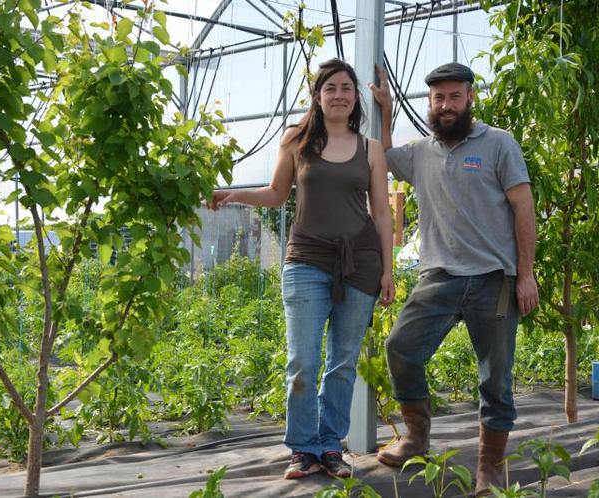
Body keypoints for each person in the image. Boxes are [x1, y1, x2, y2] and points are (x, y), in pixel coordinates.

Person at [211, 58, 395, 480]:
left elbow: (382, 214)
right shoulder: (296, 139)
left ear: (356, 97)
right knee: (302, 363)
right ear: (318, 95)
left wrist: (387, 270)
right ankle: (302, 449)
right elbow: (276, 193)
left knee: (343, 363)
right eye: (331, 88)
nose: (340, 95)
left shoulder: (371, 149)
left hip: (359, 266)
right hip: (306, 262)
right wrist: (230, 195)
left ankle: (331, 446)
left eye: (347, 88)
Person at [369, 62, 538, 496]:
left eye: (454, 97)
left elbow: (524, 210)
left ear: (470, 98)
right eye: (438, 98)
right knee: (401, 348)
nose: (446, 105)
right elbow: (383, 157)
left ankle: (491, 468)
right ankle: (416, 438)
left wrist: (526, 275)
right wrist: (385, 110)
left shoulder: (499, 143)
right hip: (440, 276)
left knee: (495, 379)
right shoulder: (421, 151)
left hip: (493, 278)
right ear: (430, 102)